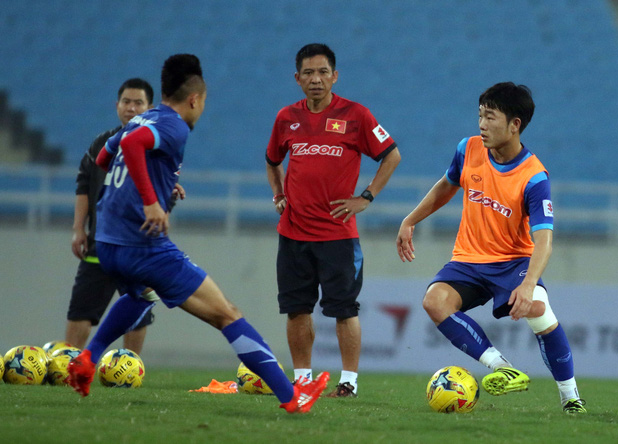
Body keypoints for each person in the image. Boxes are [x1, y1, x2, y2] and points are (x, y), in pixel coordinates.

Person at [67, 54, 329, 414]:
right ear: (195, 99)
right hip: (142, 243)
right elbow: (130, 148)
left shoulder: (142, 118)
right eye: (203, 103)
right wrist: (150, 202)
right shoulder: (173, 126)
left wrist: (161, 184)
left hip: (109, 242)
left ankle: (87, 358)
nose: (202, 110)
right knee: (228, 314)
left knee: (142, 295)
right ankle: (292, 397)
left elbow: (105, 159)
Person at [396, 82, 586, 413]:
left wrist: (527, 286)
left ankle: (571, 398)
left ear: (515, 124)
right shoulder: (467, 149)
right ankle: (501, 367)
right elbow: (446, 185)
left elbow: (544, 239)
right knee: (434, 301)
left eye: (491, 117)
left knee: (539, 310)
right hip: (468, 260)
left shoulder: (534, 177)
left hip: (513, 263)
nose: (482, 125)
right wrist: (410, 220)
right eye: (480, 116)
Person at [265, 43, 401, 397]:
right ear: (297, 79)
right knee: (296, 310)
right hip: (293, 233)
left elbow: (391, 156)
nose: (316, 79)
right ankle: (303, 379)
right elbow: (272, 159)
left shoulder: (356, 116)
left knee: (344, 311)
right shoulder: (285, 118)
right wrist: (279, 194)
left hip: (338, 235)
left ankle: (348, 382)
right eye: (308, 73)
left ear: (334, 76)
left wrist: (366, 197)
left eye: (323, 72)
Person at [66, 78, 157, 354]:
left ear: (149, 107)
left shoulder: (155, 146)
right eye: (126, 102)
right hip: (100, 241)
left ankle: (129, 366)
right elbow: (84, 184)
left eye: (138, 103)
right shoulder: (101, 144)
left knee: (138, 308)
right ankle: (66, 366)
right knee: (81, 309)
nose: (131, 108)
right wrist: (78, 228)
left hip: (136, 243)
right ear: (117, 105)